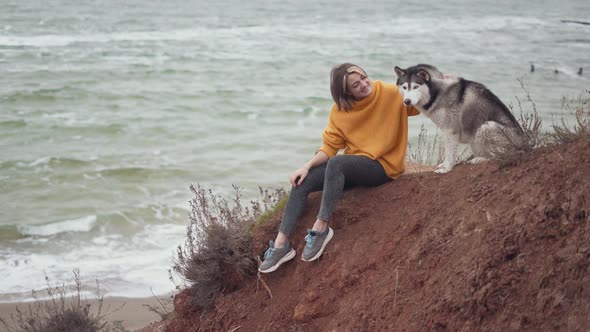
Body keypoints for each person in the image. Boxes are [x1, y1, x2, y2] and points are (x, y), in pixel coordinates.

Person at [258, 63, 420, 273]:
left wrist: (439, 84)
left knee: (337, 163)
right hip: (353, 166)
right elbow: (330, 146)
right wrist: (306, 167)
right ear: (346, 92)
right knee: (302, 181)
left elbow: (421, 102)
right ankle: (281, 245)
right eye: (356, 84)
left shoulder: (390, 92)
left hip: (384, 167)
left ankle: (321, 228)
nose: (364, 84)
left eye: (363, 77)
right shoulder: (340, 112)